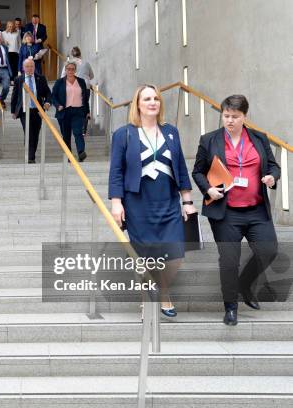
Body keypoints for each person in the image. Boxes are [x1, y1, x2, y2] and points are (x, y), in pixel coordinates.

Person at [192, 94, 280, 326]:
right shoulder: (209, 140)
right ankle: (230, 307)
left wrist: (272, 177)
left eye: (235, 116)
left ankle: (245, 282)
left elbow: (273, 165)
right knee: (229, 260)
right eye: (226, 116)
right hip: (226, 212)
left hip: (256, 210)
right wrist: (208, 189)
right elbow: (197, 171)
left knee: (269, 249)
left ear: (244, 117)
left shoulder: (259, 139)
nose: (230, 120)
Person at [108, 84, 196, 317]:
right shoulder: (124, 134)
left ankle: (163, 290)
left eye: (156, 98)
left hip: (167, 201)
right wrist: (116, 202)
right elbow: (116, 171)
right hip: (138, 203)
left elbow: (180, 167)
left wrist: (187, 201)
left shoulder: (170, 131)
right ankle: (150, 297)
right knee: (145, 255)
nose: (152, 102)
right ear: (137, 104)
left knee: (175, 255)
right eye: (147, 98)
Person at [10, 58, 51, 164]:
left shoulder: (40, 78)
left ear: (34, 67)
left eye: (31, 66)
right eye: (27, 66)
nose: (29, 68)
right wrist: (13, 111)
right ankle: (30, 157)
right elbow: (14, 96)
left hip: (37, 111)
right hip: (24, 111)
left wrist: (47, 102)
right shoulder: (19, 79)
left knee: (36, 133)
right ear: (23, 68)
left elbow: (47, 93)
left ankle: (31, 153)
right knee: (28, 133)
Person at [51, 62, 91, 162]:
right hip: (64, 111)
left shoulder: (81, 81)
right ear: (65, 70)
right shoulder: (59, 82)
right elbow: (53, 96)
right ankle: (69, 155)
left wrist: (87, 111)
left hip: (78, 111)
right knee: (66, 135)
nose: (70, 71)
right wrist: (57, 105)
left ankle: (81, 152)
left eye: (72, 69)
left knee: (78, 132)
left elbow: (85, 98)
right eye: (68, 69)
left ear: (75, 70)